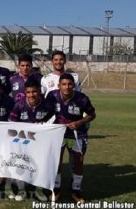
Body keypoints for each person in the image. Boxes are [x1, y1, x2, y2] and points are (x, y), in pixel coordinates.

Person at [46, 73, 96, 203]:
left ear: (73, 85)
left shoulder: (82, 98)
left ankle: (76, 191)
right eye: (64, 84)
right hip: (59, 133)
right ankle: (56, 190)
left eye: (69, 84)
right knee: (57, 161)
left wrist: (79, 123)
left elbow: (92, 114)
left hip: (78, 134)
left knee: (78, 162)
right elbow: (46, 112)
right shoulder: (53, 96)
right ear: (59, 86)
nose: (67, 87)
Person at [8, 78, 54, 201]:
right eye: (28, 92)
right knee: (21, 165)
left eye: (34, 92)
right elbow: (11, 124)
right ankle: (22, 190)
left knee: (40, 166)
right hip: (22, 142)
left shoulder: (47, 105)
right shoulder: (19, 105)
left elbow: (53, 119)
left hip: (40, 143)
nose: (31, 95)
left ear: (39, 91)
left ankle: (39, 190)